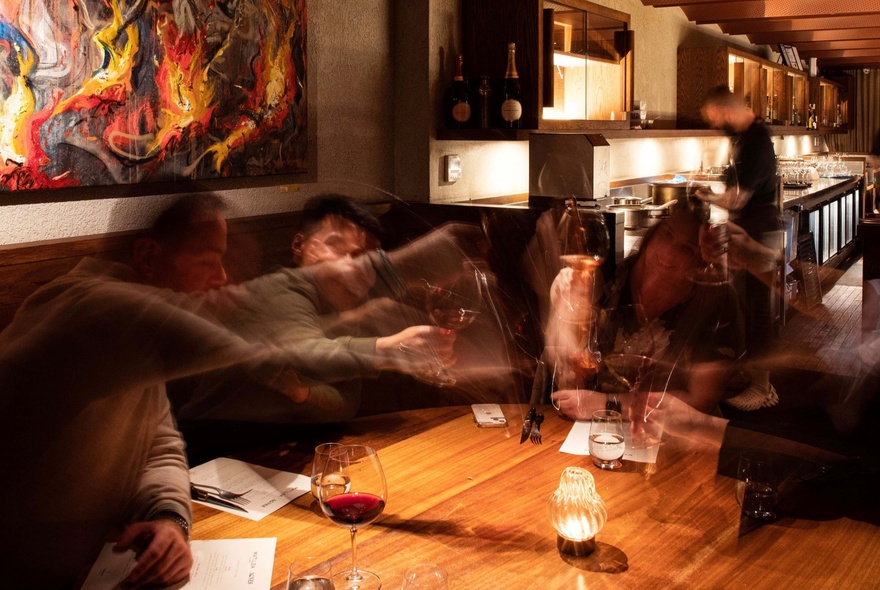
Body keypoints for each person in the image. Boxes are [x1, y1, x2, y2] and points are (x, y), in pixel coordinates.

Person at [0, 193, 304, 588]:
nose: (222, 278)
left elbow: (158, 445)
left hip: (104, 569)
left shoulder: (138, 339)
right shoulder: (84, 311)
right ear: (147, 257)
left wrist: (169, 519)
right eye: (209, 261)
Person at [170, 194, 464, 425]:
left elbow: (346, 404)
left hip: (273, 456)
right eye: (336, 246)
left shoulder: (343, 306)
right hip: (209, 454)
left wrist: (305, 394)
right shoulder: (276, 290)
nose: (349, 264)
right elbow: (308, 354)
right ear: (299, 245)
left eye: (361, 256)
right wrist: (391, 349)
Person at [537, 207, 745, 420]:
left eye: (687, 248)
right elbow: (570, 376)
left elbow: (701, 401)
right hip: (589, 431)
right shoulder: (608, 279)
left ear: (702, 261)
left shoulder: (715, 301)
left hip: (671, 437)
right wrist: (562, 310)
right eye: (667, 235)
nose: (669, 251)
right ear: (653, 233)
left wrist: (610, 405)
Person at [699, 85, 782, 411]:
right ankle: (757, 378)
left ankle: (761, 388)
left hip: (761, 233)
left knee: (759, 310)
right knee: (744, 306)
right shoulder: (743, 139)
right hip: (748, 231)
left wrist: (706, 197)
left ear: (726, 110)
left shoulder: (757, 142)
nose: (714, 123)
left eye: (715, 116)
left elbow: (738, 197)